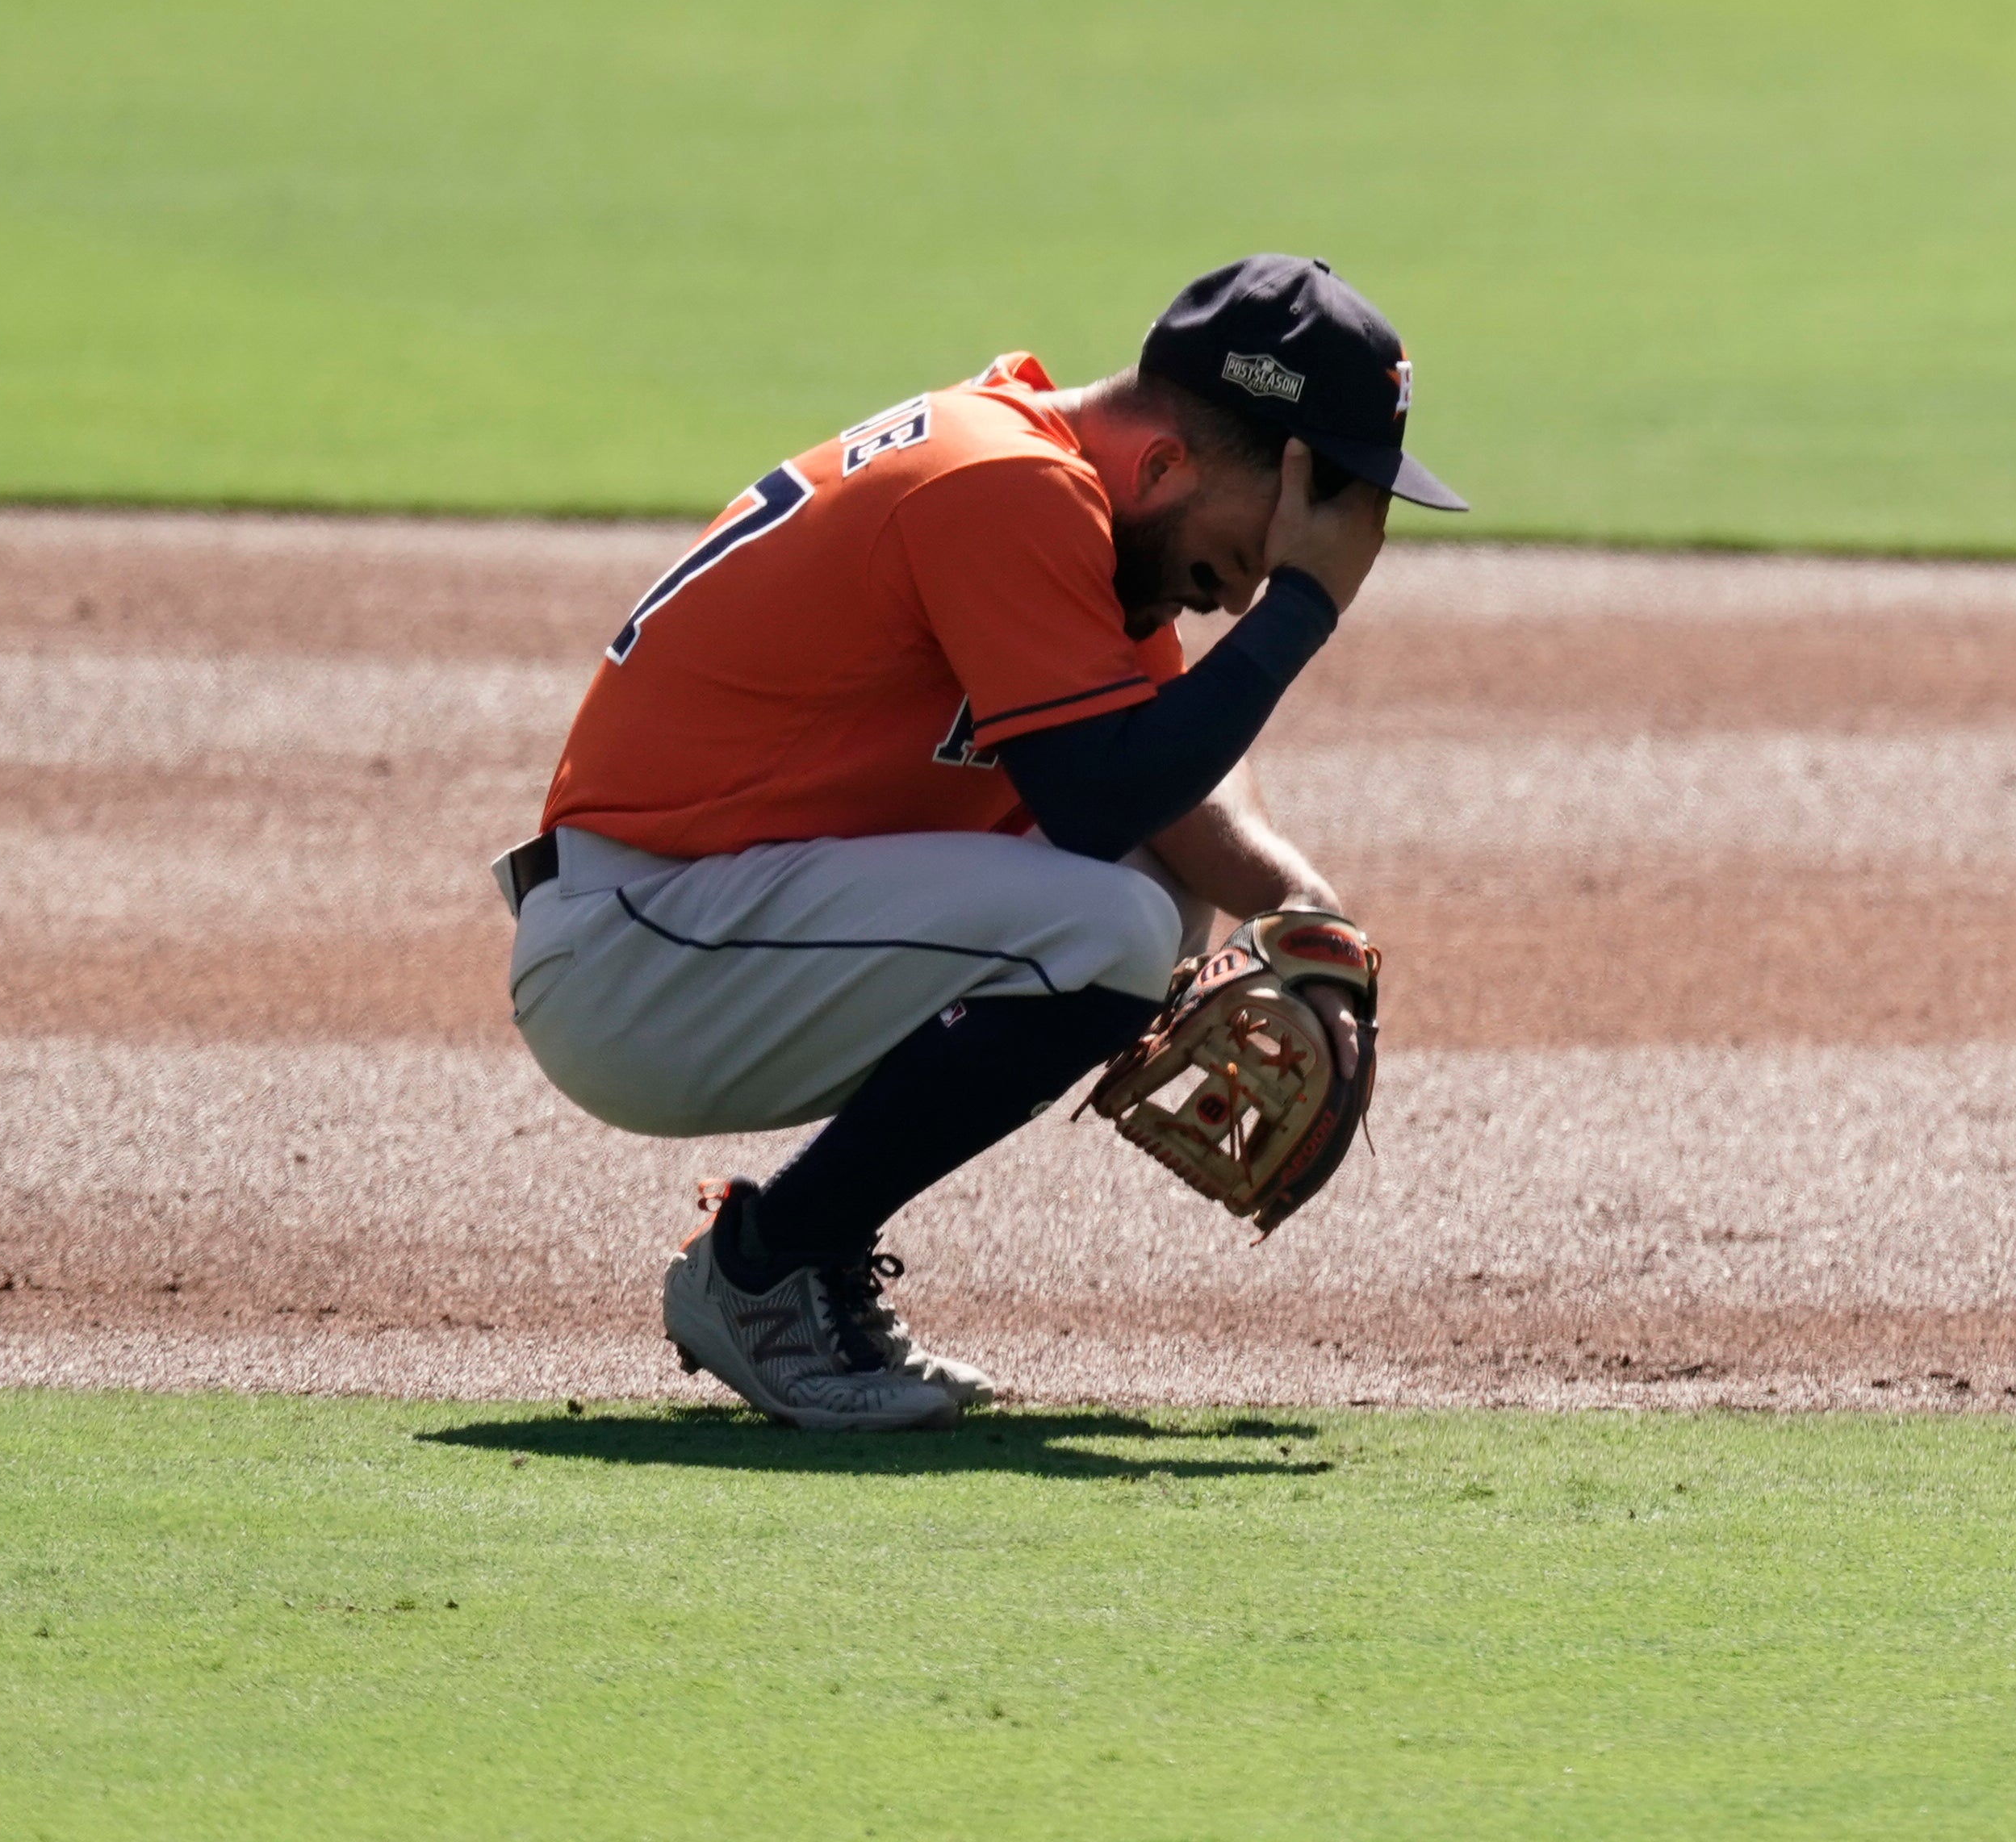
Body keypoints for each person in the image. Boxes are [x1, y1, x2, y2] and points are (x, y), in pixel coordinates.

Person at [490, 256, 1465, 1431]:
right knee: (1110, 923)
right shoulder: (1005, 487)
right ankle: (766, 1267)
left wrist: (1323, 935)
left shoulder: (1072, 500)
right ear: (1166, 463)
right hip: (637, 954)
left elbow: (1173, 789)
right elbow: (1106, 795)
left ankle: (799, 1261)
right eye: (1243, 562)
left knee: (1145, 895)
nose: (1231, 605)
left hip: (712, 930)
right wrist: (1308, 610)